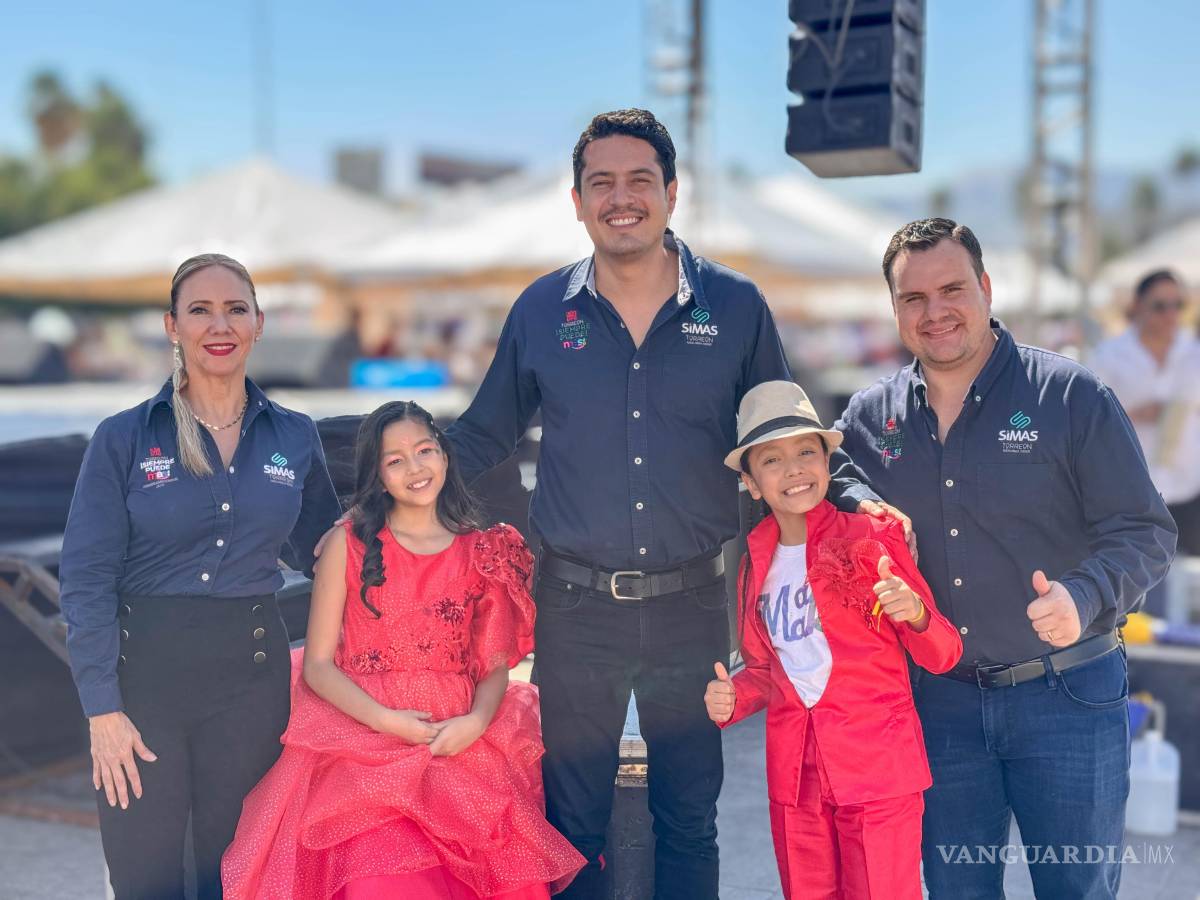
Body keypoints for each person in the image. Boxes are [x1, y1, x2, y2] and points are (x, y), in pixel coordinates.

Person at [439, 108, 904, 900]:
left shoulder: (735, 306)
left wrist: (858, 496)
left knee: (689, 818)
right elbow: (482, 436)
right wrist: (381, 498)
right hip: (575, 609)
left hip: (695, 608)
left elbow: (784, 432)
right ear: (578, 201)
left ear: (672, 192)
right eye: (603, 184)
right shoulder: (541, 311)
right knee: (573, 822)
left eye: (639, 181)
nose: (622, 198)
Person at [833, 218, 1177, 899]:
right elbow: (827, 471)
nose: (935, 313)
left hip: (1068, 698)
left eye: (952, 289)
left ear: (987, 288)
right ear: (895, 309)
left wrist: (1082, 596)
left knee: (1075, 889)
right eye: (914, 299)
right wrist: (859, 496)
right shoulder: (873, 418)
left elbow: (1145, 531)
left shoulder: (1072, 397)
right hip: (940, 706)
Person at [59, 253, 342, 899]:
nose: (221, 324)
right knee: (146, 871)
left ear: (260, 323)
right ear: (172, 326)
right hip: (143, 683)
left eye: (235, 308)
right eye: (201, 310)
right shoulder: (125, 436)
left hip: (251, 676)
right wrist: (102, 709)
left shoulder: (294, 436)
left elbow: (325, 551)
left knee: (238, 869)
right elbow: (85, 578)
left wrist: (424, 547)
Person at [221, 401, 585, 899]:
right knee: (385, 879)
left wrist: (475, 723)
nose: (415, 468)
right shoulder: (347, 545)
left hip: (456, 739)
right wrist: (386, 721)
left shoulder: (484, 549)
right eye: (395, 460)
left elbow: (494, 664)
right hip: (365, 739)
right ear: (377, 474)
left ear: (445, 455)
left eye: (424, 451)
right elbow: (320, 665)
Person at [703, 380, 962, 900]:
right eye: (771, 461)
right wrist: (732, 698)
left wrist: (913, 613)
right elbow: (764, 670)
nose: (794, 468)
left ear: (827, 463)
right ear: (752, 484)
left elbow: (943, 652)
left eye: (806, 451)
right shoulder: (754, 558)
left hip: (878, 769)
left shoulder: (872, 537)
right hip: (795, 778)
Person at [1090, 269, 1200, 562]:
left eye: (1178, 305)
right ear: (1138, 306)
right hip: (1135, 491)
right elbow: (1087, 419)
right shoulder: (1108, 356)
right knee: (1142, 585)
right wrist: (1134, 413)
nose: (1170, 314)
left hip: (1190, 486)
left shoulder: (1193, 352)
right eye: (1160, 306)